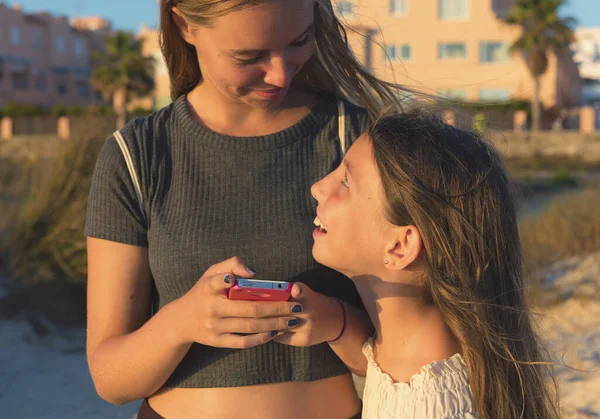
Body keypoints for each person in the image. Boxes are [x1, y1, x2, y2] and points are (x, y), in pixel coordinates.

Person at [84, 0, 411, 418]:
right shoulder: (136, 157)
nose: (279, 73)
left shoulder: (357, 142)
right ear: (184, 25)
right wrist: (184, 321)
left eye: (300, 41)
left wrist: (335, 322)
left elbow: (415, 355)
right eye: (249, 56)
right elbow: (111, 380)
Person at [310, 111, 560, 419]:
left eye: (346, 182)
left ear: (400, 246)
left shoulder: (429, 407)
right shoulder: (420, 358)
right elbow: (378, 369)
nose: (318, 187)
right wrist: (337, 324)